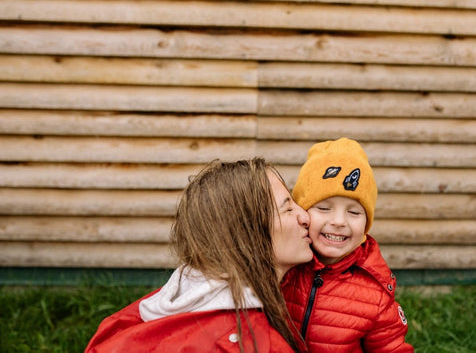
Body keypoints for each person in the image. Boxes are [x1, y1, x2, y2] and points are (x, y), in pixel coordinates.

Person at [85, 158, 313, 352]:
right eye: (287, 208)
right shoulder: (258, 343)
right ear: (247, 233)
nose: (305, 216)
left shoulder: (157, 308)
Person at [281, 138, 414, 352]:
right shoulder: (283, 266)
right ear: (302, 213)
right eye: (324, 208)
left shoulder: (375, 294)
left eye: (353, 212)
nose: (339, 221)